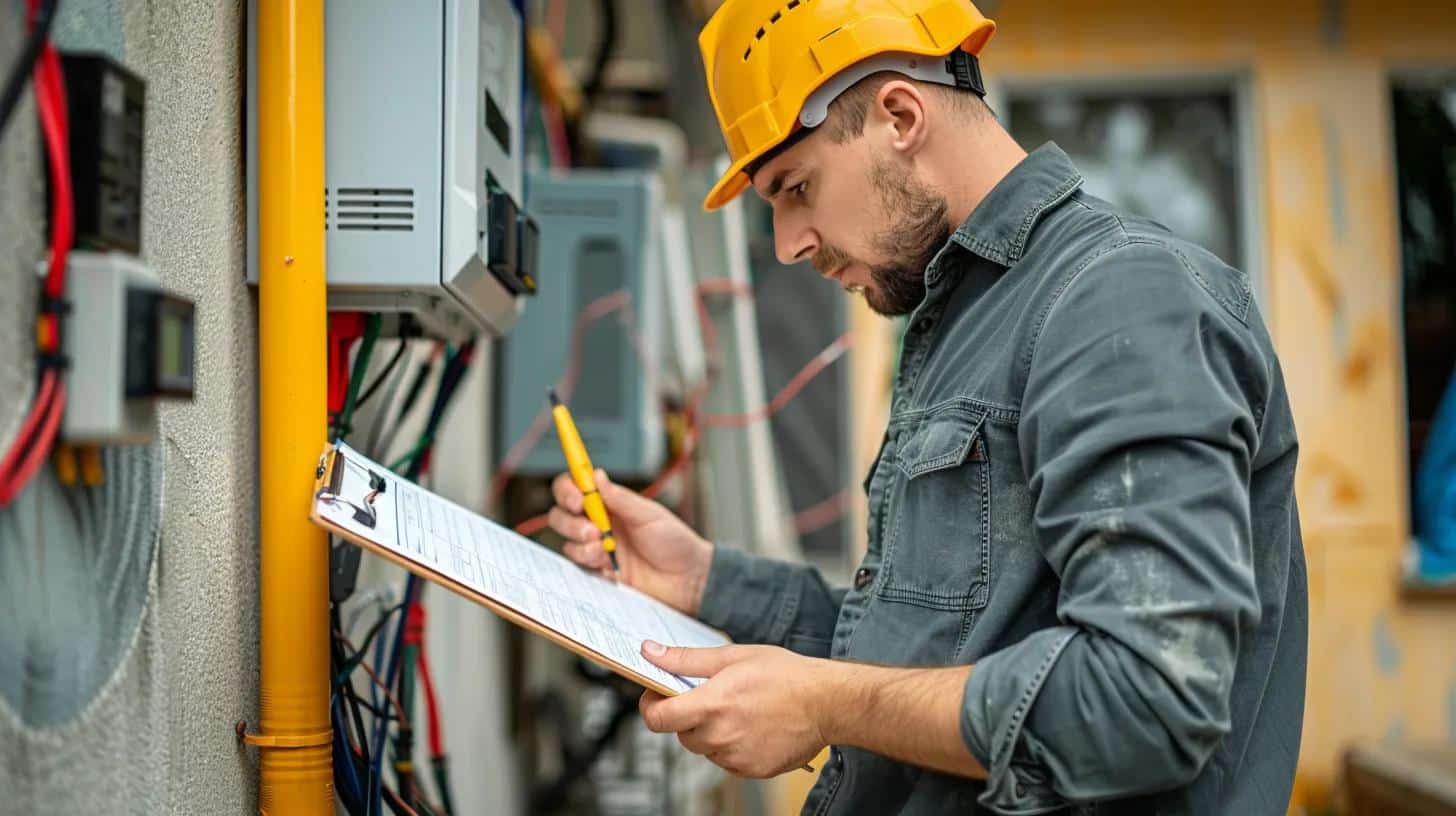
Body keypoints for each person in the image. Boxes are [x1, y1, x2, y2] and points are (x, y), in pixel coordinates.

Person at [549, 1, 1306, 812]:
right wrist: (705, 581)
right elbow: (934, 649)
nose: (787, 243)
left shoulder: (1119, 301)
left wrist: (824, 704)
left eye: (796, 188)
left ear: (900, 115)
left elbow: (1144, 700)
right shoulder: (967, 323)